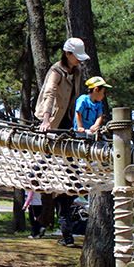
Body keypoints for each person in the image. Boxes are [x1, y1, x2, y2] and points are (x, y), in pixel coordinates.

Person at [35, 37, 89, 248]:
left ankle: (65, 231)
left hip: (67, 125)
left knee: (68, 174)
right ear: (67, 54)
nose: (79, 60)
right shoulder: (56, 71)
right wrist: (46, 120)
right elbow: (49, 94)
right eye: (77, 56)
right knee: (47, 156)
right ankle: (34, 175)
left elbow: (75, 100)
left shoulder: (76, 72)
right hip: (52, 122)